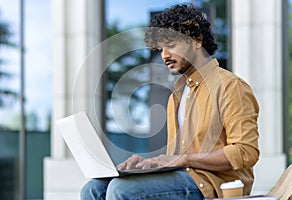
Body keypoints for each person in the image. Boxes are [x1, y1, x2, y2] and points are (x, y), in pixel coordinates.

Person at [81, 3, 260, 200]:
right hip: (183, 177)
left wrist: (184, 159)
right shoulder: (177, 94)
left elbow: (246, 151)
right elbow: (174, 161)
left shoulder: (230, 86)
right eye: (160, 49)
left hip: (214, 185)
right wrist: (150, 163)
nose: (164, 55)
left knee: (122, 190)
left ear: (197, 40)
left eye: (172, 45)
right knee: (93, 189)